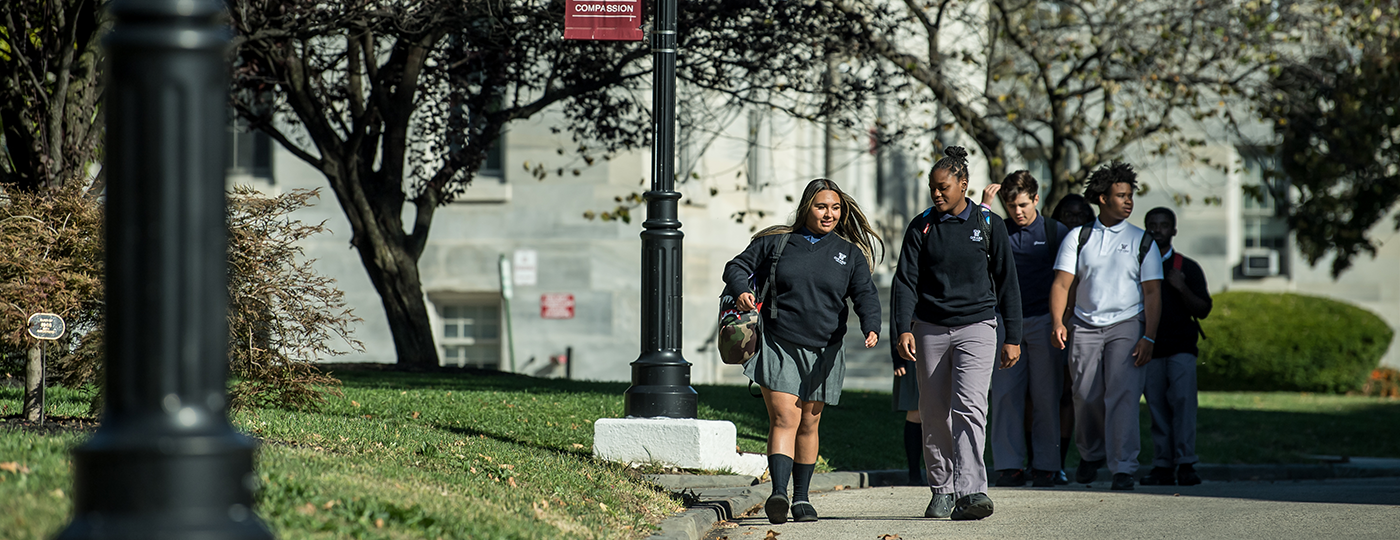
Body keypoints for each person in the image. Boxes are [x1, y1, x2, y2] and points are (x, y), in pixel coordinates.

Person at [723, 178, 883, 525]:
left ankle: (802, 498)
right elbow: (735, 267)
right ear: (806, 207)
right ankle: (779, 492)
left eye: (836, 208)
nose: (829, 214)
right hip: (780, 341)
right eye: (821, 206)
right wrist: (740, 290)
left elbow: (865, 294)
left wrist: (871, 324)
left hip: (825, 348)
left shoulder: (849, 253)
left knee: (809, 424)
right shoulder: (777, 243)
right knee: (785, 418)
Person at [892, 146, 1022, 520]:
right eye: (932, 187)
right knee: (932, 411)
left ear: (963, 184)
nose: (936, 193)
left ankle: (972, 490)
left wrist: (1012, 336)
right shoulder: (922, 226)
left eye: (943, 187)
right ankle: (942, 489)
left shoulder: (988, 224)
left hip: (978, 327)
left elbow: (1008, 283)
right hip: (930, 329)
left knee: (970, 407)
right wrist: (903, 330)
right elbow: (905, 284)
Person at [1048, 162, 1162, 491]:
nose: (1128, 202)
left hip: (1127, 324)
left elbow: (1153, 292)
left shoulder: (1143, 241)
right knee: (1084, 395)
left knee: (1123, 396)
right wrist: (1058, 321)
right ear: (1102, 198)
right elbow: (1061, 284)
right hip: (1084, 325)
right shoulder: (1078, 237)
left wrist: (1148, 336)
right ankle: (1091, 453)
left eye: (1130, 196)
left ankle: (1123, 467)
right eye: (1121, 195)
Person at [980, 171, 1070, 488]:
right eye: (1010, 205)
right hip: (1005, 323)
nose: (1017, 212)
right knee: (1006, 396)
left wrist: (1061, 321)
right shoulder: (998, 229)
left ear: (1035, 199)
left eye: (1022, 204)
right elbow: (974, 245)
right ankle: (1008, 465)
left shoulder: (1054, 231)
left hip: (1044, 321)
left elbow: (1068, 279)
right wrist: (985, 208)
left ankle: (1047, 466)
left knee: (1046, 396)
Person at [1139, 207, 1212, 486]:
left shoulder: (1187, 267)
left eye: (1164, 225)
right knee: (1156, 408)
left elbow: (1204, 309)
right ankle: (1162, 465)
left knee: (1182, 404)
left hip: (1181, 348)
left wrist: (1181, 287)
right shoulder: (1138, 265)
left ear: (1174, 230)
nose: (1158, 230)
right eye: (1153, 225)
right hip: (1151, 348)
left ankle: (1185, 463)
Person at [1047, 193, 1096, 484]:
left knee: (1068, 395)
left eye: (1080, 216)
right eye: (1068, 215)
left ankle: (1060, 461)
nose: (1074, 220)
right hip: (1046, 323)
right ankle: (1039, 460)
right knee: (1040, 396)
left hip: (1078, 326)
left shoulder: (1090, 244)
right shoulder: (1052, 244)